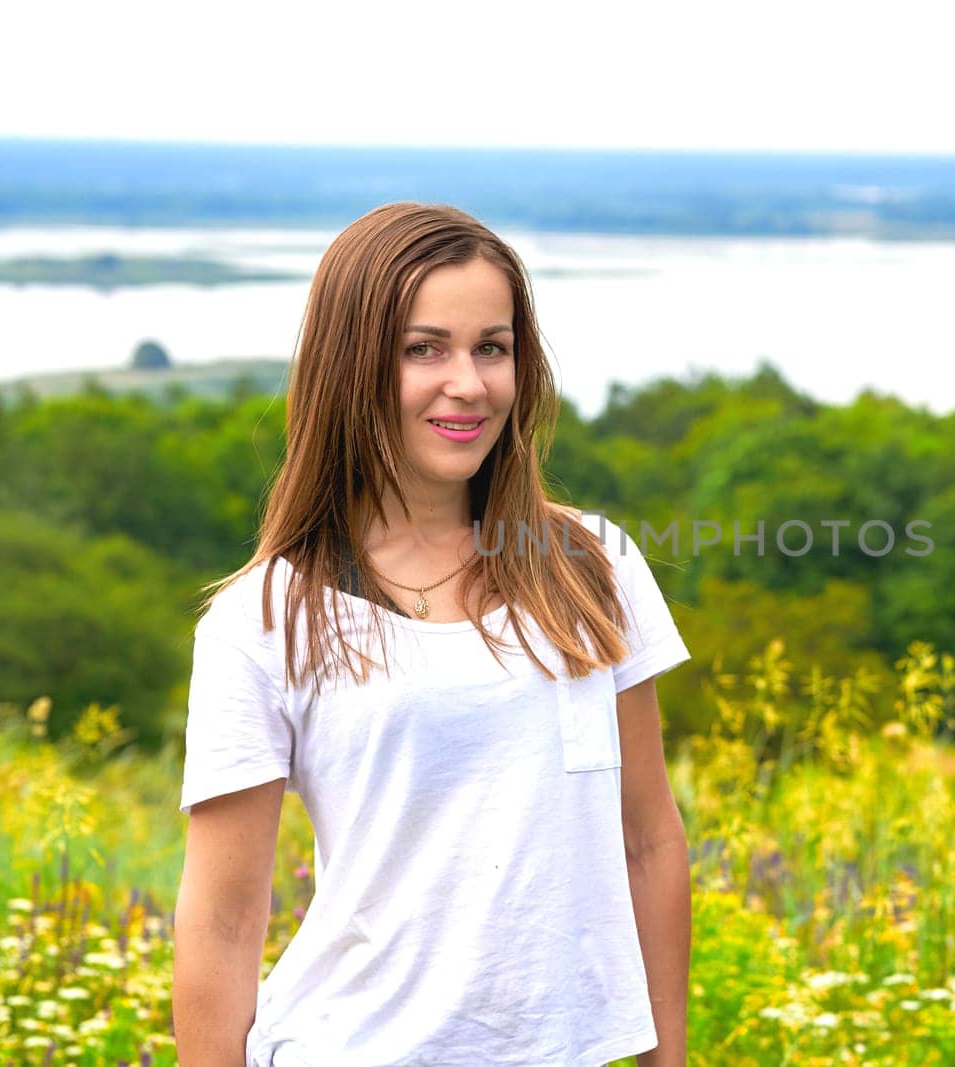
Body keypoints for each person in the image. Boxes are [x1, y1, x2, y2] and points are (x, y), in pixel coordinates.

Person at [171, 202, 693, 1067]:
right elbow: (222, 922)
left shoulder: (594, 567)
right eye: (424, 349)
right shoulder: (265, 618)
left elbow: (647, 839)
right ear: (352, 366)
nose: (470, 382)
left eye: (492, 346)